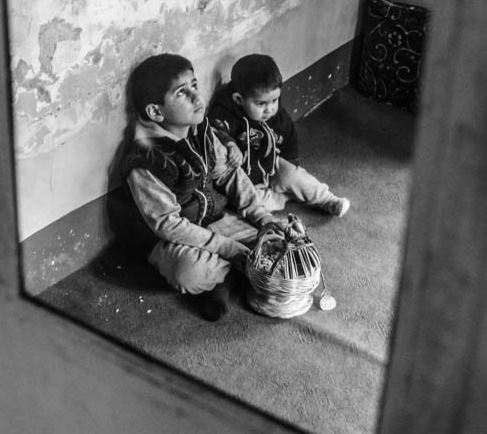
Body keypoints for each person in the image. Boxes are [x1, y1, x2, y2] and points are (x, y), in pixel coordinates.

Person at [119, 53, 278, 321]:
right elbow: (168, 225)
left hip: (215, 220)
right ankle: (232, 276)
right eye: (182, 93)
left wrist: (261, 217)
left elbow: (228, 174)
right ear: (156, 112)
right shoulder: (147, 160)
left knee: (274, 238)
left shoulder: (200, 128)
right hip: (172, 239)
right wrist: (227, 247)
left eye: (194, 85)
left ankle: (228, 276)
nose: (197, 97)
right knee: (189, 273)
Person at [207, 53, 351, 216]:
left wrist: (290, 166)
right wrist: (230, 144)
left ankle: (327, 199)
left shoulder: (278, 116)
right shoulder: (225, 111)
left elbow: (289, 140)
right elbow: (215, 129)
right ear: (239, 99)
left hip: (269, 163)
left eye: (274, 100)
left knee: (294, 176)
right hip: (244, 177)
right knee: (249, 201)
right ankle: (284, 196)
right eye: (261, 104)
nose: (270, 109)